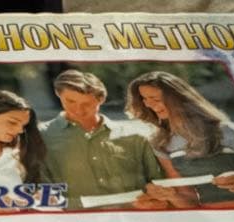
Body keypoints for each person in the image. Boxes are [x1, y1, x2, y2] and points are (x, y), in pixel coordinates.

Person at [126, 71, 234, 209]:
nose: (148, 104)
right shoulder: (161, 144)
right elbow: (190, 203)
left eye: (155, 98)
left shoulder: (225, 131)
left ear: (177, 98)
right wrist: (172, 196)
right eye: (144, 99)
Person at [38, 69, 165, 210]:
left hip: (133, 218)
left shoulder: (136, 137)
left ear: (101, 99)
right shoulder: (40, 137)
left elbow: (158, 185)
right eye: (70, 101)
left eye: (87, 103)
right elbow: (42, 195)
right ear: (58, 94)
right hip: (73, 221)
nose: (79, 109)